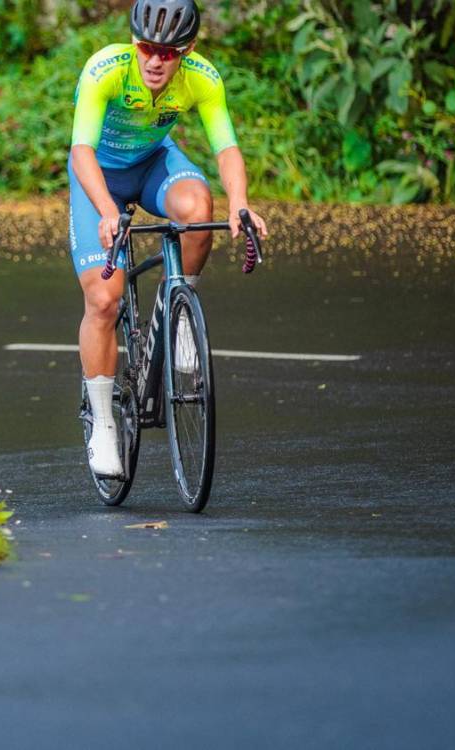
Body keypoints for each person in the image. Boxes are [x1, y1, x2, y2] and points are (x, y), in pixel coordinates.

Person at [69, 0, 268, 478]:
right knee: (104, 299)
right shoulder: (106, 70)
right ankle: (101, 424)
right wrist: (107, 212)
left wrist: (241, 202)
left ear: (188, 50)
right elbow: (81, 152)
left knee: (200, 211)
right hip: (99, 178)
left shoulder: (202, 76)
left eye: (169, 52)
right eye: (147, 49)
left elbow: (226, 148)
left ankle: (179, 312)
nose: (156, 61)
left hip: (154, 164)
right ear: (134, 43)